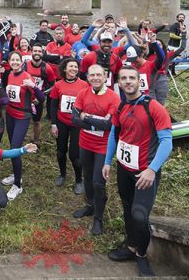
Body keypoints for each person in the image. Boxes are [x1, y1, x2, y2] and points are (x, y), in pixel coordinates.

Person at [103, 66, 172, 277]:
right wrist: (107, 162)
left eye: (132, 78)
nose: (128, 81)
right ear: (119, 83)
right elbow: (115, 134)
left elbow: (166, 142)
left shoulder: (154, 107)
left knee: (140, 216)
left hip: (144, 173)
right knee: (127, 208)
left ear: (139, 81)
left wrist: (152, 170)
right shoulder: (121, 106)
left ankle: (142, 254)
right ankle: (131, 246)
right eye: (123, 78)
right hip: (124, 170)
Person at [70, 64, 120, 235]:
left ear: (105, 76)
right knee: (87, 177)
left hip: (103, 146)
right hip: (85, 143)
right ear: (88, 77)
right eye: (92, 75)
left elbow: (109, 124)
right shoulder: (83, 93)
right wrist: (90, 120)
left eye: (99, 75)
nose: (96, 78)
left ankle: (98, 218)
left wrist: (86, 117)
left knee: (99, 183)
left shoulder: (114, 98)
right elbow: (74, 118)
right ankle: (90, 205)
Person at [1, 51, 45, 200]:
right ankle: (15, 174)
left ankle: (18, 185)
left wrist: (33, 86)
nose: (14, 62)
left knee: (15, 147)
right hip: (10, 114)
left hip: (22, 116)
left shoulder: (27, 76)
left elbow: (41, 98)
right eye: (12, 60)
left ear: (21, 62)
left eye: (17, 60)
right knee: (13, 146)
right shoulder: (9, 75)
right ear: (9, 61)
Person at [50, 58, 88, 194]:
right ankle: (62, 174)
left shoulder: (84, 85)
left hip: (77, 124)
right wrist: (53, 124)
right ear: (64, 69)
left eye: (76, 67)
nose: (74, 69)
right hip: (62, 122)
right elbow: (53, 106)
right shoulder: (58, 85)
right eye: (71, 66)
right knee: (60, 152)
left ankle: (79, 180)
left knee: (74, 155)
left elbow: (87, 104)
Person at [22, 44, 56, 145]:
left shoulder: (47, 68)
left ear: (42, 53)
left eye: (39, 51)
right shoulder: (25, 65)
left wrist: (42, 96)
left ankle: (36, 140)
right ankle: (22, 136)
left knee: (36, 121)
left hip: (38, 98)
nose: (37, 53)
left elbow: (52, 85)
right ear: (31, 52)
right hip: (25, 97)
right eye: (35, 51)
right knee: (23, 119)